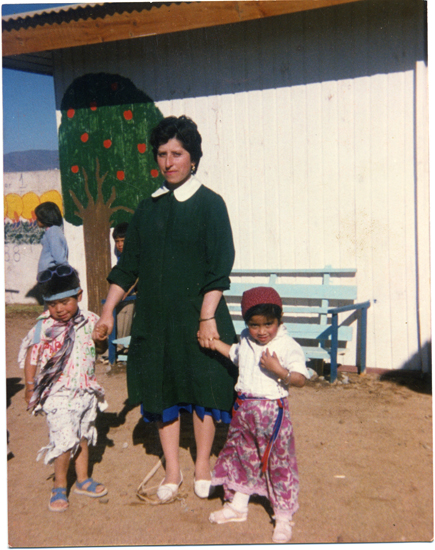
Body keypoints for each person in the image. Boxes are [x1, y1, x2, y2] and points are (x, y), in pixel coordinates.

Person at [93, 115, 237, 503]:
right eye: (162, 154)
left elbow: (218, 267)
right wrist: (108, 311)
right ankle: (173, 470)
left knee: (204, 387)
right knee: (162, 390)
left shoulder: (210, 204)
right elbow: (127, 267)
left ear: (193, 158)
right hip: (155, 320)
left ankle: (202, 464)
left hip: (199, 316)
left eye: (177, 153)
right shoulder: (147, 208)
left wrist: (207, 317)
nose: (169, 161)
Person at [208, 286, 310, 544]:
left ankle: (284, 517)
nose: (262, 331)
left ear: (280, 319)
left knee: (278, 463)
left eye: (269, 324)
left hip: (273, 415)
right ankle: (238, 506)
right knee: (244, 457)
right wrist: (210, 342)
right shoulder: (245, 339)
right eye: (254, 325)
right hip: (245, 412)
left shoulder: (286, 345)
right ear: (246, 323)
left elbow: (300, 379)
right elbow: (234, 355)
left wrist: (280, 370)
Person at [18, 264, 109, 512]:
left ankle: (82, 480)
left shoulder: (90, 320)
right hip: (56, 392)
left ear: (79, 296)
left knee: (81, 434)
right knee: (63, 440)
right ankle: (59, 486)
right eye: (52, 304)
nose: (59, 309)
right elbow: (32, 356)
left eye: (65, 302)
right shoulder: (43, 326)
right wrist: (29, 385)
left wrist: (101, 341)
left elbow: (100, 351)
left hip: (84, 390)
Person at [112, 222, 135, 342]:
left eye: (123, 240)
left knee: (126, 310)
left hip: (133, 293)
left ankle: (121, 346)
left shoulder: (135, 254)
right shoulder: (120, 256)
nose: (120, 244)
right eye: (117, 241)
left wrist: (128, 289)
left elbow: (137, 276)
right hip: (123, 291)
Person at [35, 201, 69, 274]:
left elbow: (59, 258)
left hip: (51, 276)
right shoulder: (51, 231)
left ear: (45, 218)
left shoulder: (53, 232)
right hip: (48, 275)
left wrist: (67, 275)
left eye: (38, 217)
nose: (36, 220)